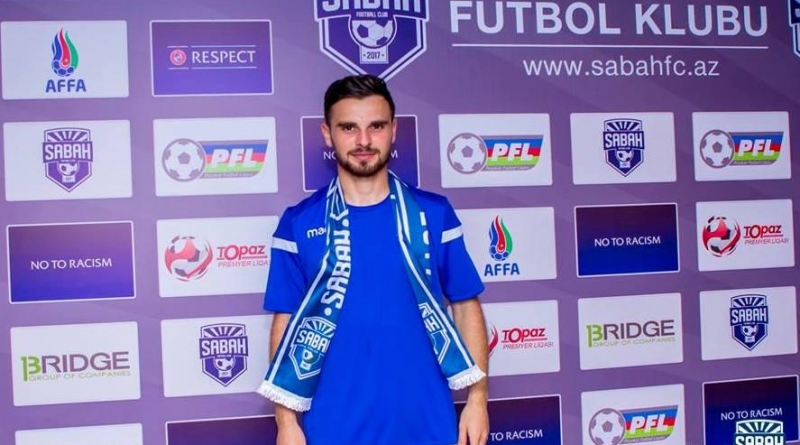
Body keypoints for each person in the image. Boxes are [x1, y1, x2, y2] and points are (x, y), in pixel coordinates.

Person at [257, 74, 489, 445]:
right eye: (348, 127)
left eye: (376, 126)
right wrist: (286, 422)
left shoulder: (434, 213)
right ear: (327, 134)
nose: (363, 141)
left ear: (393, 130)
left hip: (427, 423)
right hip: (332, 426)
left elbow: (464, 304)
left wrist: (477, 400)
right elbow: (286, 321)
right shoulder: (298, 223)